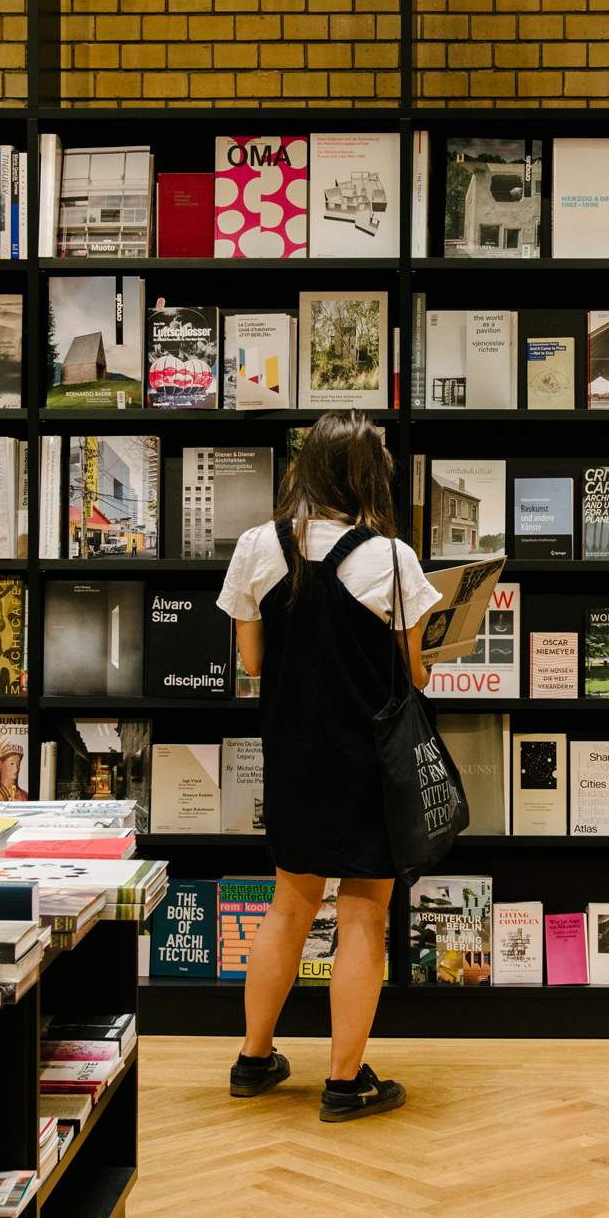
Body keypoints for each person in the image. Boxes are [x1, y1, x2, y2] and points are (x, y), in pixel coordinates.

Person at [216, 412, 440, 1123]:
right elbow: (414, 675)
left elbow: (254, 664)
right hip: (366, 760)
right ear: (368, 476)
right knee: (364, 915)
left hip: (290, 755)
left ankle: (255, 1059)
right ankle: (345, 1083)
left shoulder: (256, 545)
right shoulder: (392, 559)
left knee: (289, 905)